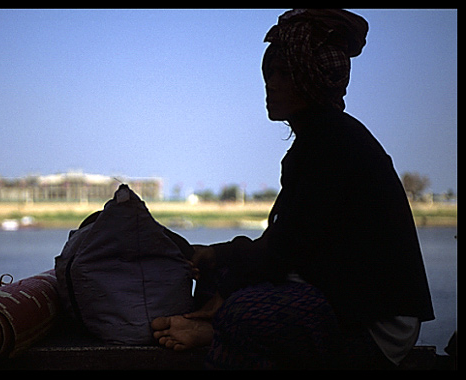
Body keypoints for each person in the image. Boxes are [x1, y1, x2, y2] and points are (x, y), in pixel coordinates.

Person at [151, 9, 435, 370]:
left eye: (284, 74)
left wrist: (224, 297)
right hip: (335, 297)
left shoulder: (333, 143)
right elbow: (284, 238)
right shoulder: (314, 142)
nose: (271, 84)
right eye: (269, 73)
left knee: (242, 309)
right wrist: (218, 255)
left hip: (373, 326)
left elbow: (288, 248)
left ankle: (212, 332)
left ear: (311, 79)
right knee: (218, 271)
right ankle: (214, 328)